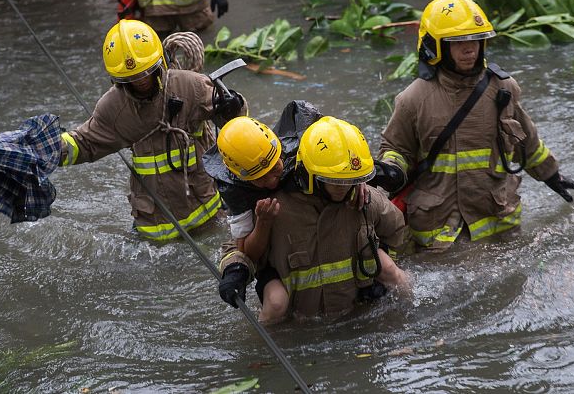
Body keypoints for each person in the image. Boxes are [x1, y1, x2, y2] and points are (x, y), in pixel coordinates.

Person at [374, 0, 574, 252]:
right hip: (440, 232)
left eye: (477, 39)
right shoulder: (413, 99)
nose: (470, 48)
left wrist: (552, 175)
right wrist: (390, 169)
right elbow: (396, 148)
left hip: (499, 220)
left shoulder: (502, 88)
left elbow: (526, 141)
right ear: (435, 45)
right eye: (459, 41)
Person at [59, 19, 245, 241]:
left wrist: (234, 106)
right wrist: (50, 149)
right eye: (131, 78)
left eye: (146, 72)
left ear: (160, 63)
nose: (141, 81)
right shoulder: (113, 108)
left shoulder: (190, 87)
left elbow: (239, 128)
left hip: (209, 213)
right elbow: (84, 143)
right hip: (154, 228)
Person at [218, 116, 410, 322]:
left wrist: (378, 263)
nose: (344, 188)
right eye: (336, 182)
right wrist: (234, 270)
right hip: (301, 318)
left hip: (357, 309)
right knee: (275, 304)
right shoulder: (271, 207)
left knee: (392, 271)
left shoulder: (363, 198)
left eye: (350, 181)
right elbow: (237, 248)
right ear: (312, 174)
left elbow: (396, 229)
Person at [204, 102, 322, 321]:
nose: (271, 182)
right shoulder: (233, 187)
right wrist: (263, 222)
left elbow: (339, 154)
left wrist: (354, 181)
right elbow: (247, 252)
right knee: (277, 303)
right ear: (241, 177)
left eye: (275, 169)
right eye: (259, 179)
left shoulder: (300, 140)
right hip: (274, 249)